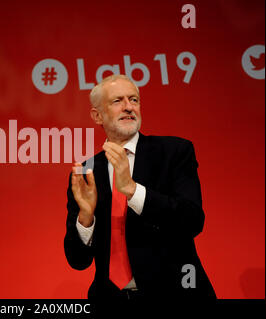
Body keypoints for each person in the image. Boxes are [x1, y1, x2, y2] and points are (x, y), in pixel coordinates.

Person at [64, 74, 216, 301]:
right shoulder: (86, 172)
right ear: (97, 116)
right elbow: (78, 260)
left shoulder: (174, 152)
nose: (128, 107)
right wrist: (86, 218)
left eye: (133, 100)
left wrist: (133, 190)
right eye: (117, 101)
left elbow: (192, 221)